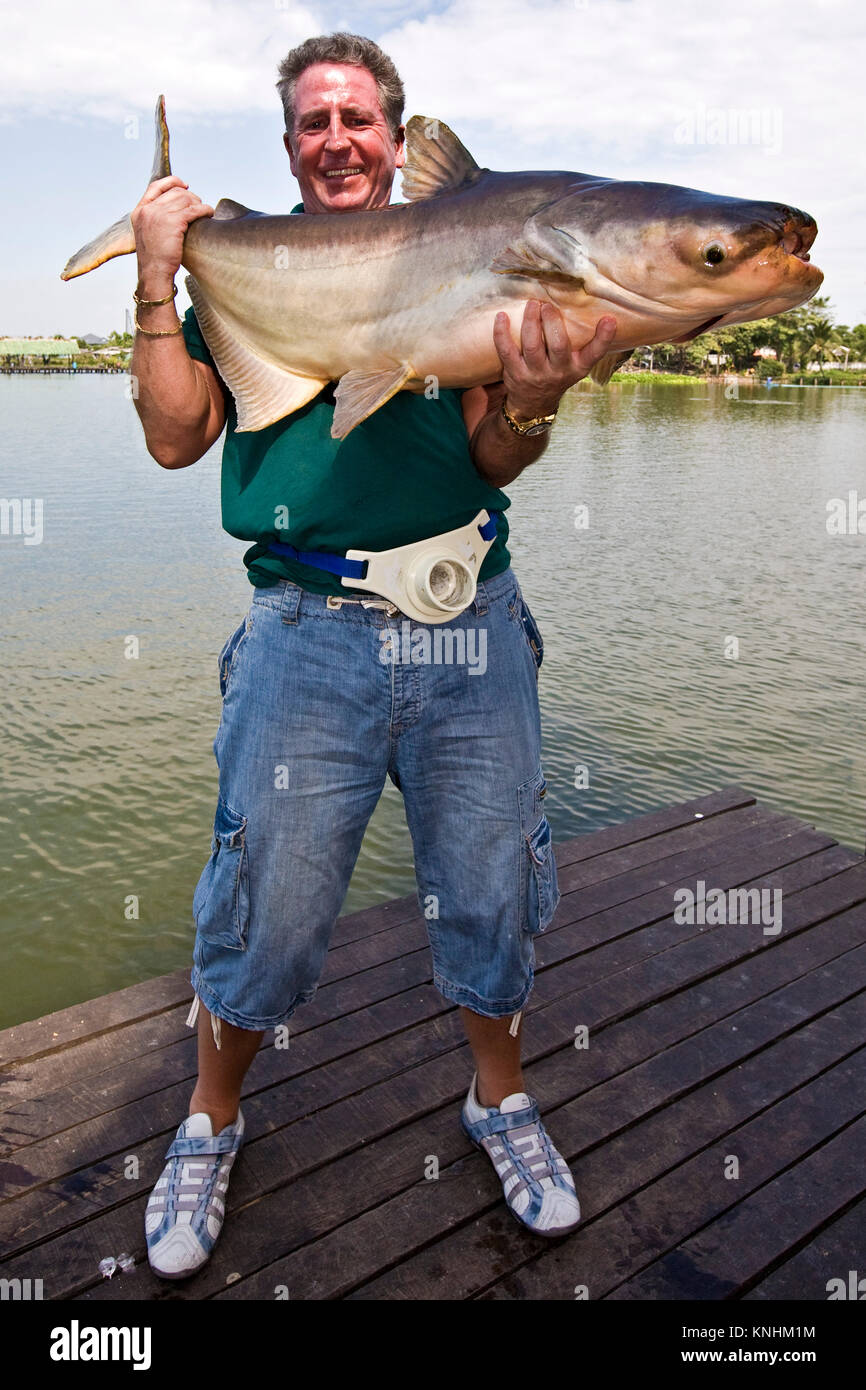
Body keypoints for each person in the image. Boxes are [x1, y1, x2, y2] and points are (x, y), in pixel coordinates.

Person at [131, 31, 617, 1280]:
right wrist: (153, 279)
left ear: (396, 142)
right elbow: (177, 440)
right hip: (304, 632)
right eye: (313, 122)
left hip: (472, 622)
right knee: (270, 906)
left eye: (358, 119)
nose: (336, 138)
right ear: (290, 145)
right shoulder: (238, 267)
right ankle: (210, 1118)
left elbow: (497, 454)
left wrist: (534, 395)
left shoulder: (473, 252)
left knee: (492, 887)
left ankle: (497, 1102)